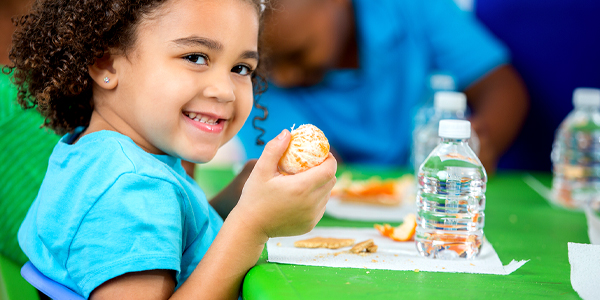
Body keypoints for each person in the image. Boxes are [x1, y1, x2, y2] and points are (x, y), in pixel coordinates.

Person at [8, 0, 337, 299]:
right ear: (106, 63)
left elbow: (175, 241)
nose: (224, 91)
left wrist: (238, 200)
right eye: (195, 57)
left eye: (241, 68)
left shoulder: (96, 156)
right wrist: (253, 225)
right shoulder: (132, 188)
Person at [238, 0, 529, 174]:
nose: (282, 78)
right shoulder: (260, 85)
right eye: (265, 64)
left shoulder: (412, 8)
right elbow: (315, 176)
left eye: (296, 55)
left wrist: (480, 141)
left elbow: (501, 86)